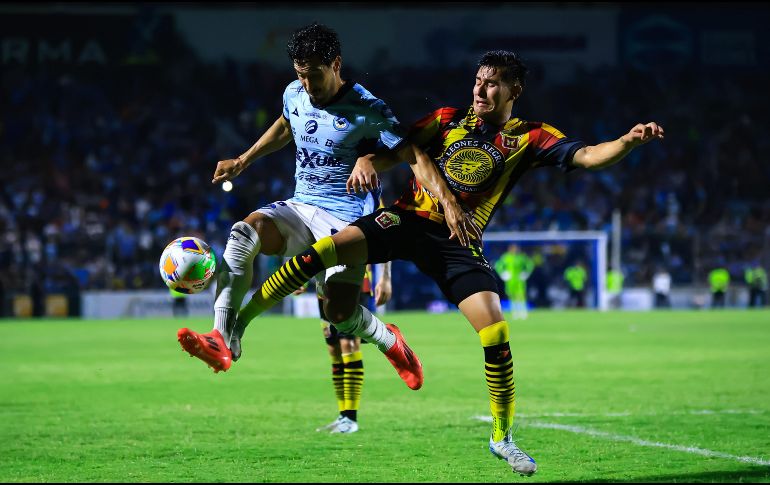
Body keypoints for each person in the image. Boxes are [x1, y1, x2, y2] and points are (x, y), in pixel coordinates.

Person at [236, 50, 664, 476]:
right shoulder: (444, 119)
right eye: (478, 80)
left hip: (457, 242)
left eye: (492, 82)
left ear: (515, 90)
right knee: (325, 250)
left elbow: (588, 156)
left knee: (495, 329)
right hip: (405, 220)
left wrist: (627, 141)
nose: (480, 88)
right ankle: (241, 322)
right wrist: (369, 159)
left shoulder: (529, 138)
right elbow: (401, 149)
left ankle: (503, 437)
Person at [176, 23, 467, 390]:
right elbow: (286, 125)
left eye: (314, 75)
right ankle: (221, 337)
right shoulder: (295, 93)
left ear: (336, 64)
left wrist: (448, 201)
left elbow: (413, 154)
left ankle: (391, 341)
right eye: (301, 75)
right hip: (301, 207)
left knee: (340, 315)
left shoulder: (367, 108)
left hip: (348, 221)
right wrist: (243, 160)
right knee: (243, 232)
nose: (308, 86)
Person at [315, 261, 391, 434]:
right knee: (334, 351)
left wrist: (385, 277)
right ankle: (343, 415)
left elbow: (384, 243)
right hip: (323, 287)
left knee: (349, 345)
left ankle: (351, 418)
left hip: (355, 283)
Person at [494, 244, 534, 320]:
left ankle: (523, 312)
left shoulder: (521, 257)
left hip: (519, 280)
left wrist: (526, 273)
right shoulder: (506, 257)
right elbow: (498, 265)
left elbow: (530, 264)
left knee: (521, 295)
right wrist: (503, 274)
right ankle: (515, 312)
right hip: (510, 280)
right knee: (512, 296)